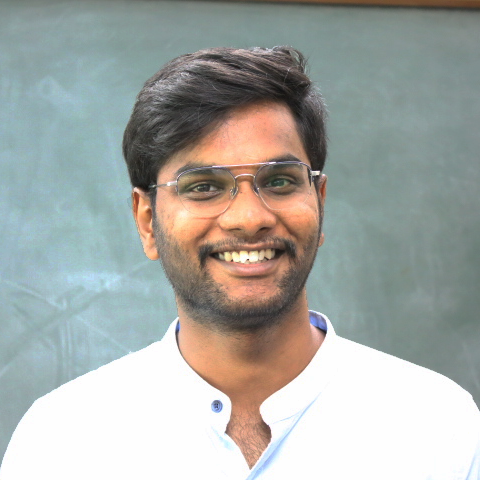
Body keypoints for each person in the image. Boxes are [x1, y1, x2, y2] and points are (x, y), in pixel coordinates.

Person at [1, 46, 479, 480]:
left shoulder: (442, 428)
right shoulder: (60, 443)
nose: (250, 219)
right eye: (203, 186)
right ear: (147, 221)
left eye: (280, 181)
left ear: (320, 201)